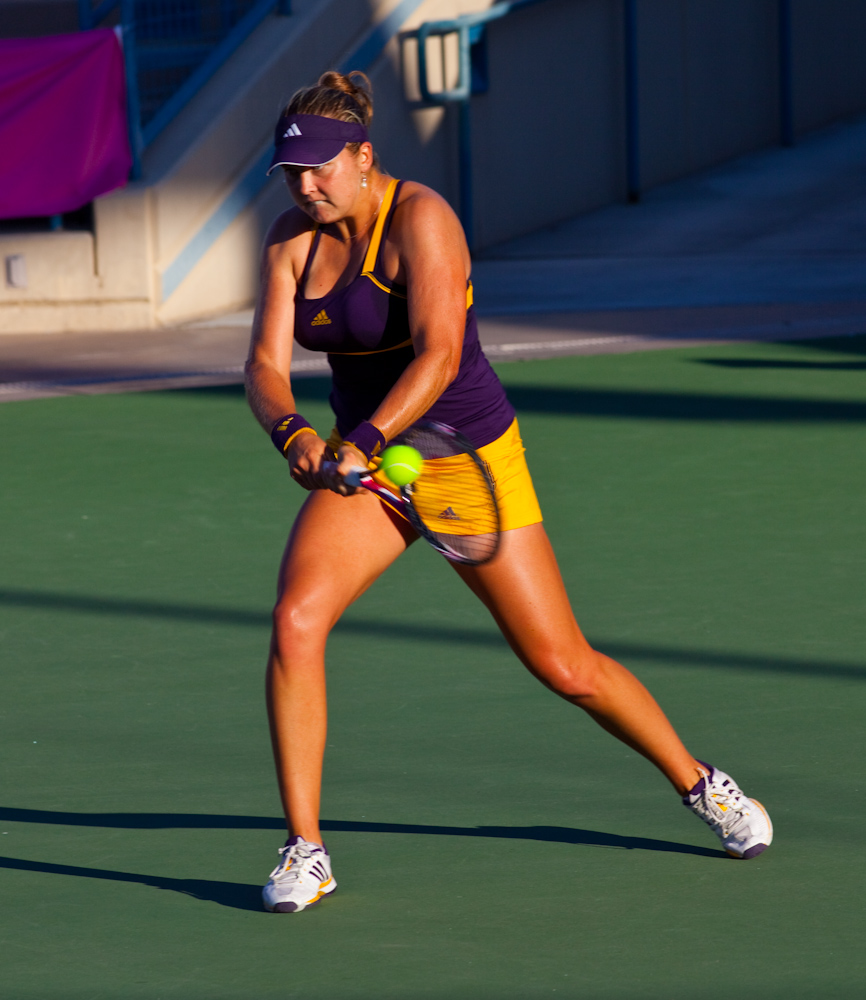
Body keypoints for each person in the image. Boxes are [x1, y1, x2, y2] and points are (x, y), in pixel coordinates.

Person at [245, 71, 773, 914]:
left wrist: (367, 439)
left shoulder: (423, 219)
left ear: (363, 156)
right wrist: (294, 434)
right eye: (292, 173)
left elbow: (440, 355)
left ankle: (701, 783)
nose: (305, 187)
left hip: (464, 459)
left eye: (320, 169)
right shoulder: (289, 242)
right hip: (372, 470)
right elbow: (265, 366)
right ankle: (305, 849)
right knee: (296, 621)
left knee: (564, 666)